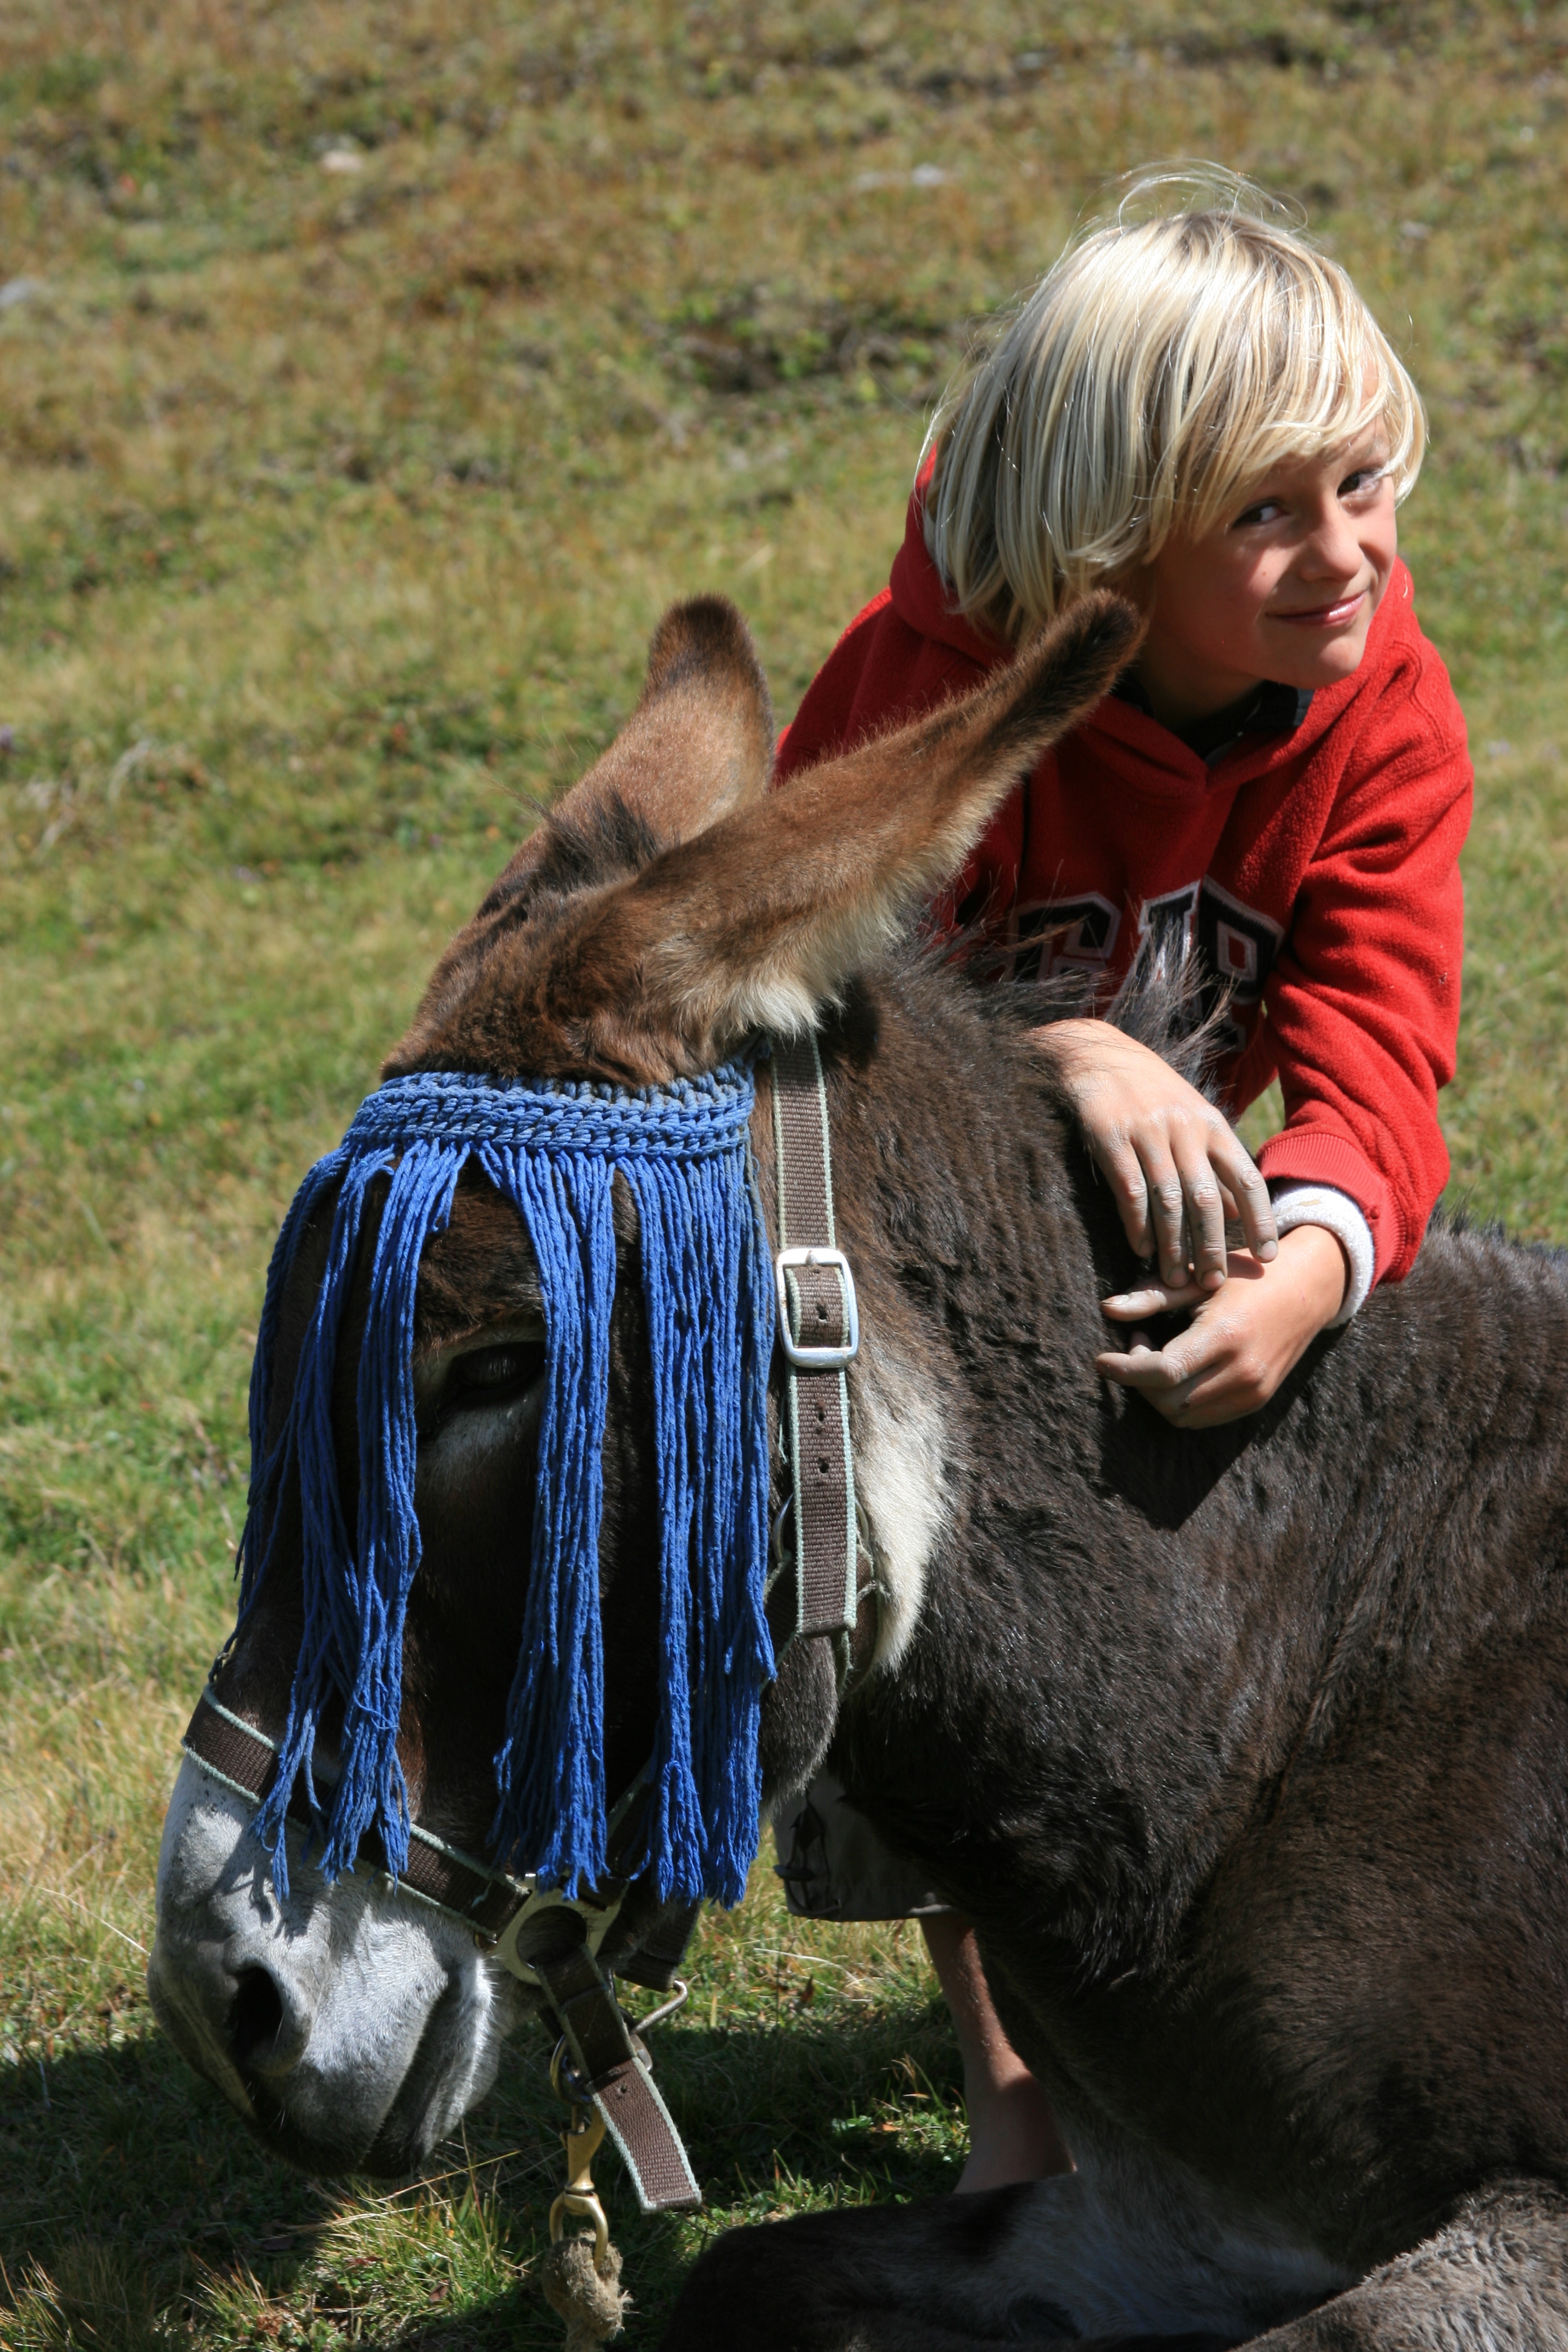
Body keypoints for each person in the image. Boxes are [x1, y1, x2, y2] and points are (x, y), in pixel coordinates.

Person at [770, 169, 1473, 2193]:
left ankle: (1230, 1965)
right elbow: (799, 1016)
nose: (1343, 553)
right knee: (928, 1581)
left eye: (1366, 481)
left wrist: (1320, 1255)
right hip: (893, 1233)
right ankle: (1008, 2084)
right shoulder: (930, 689)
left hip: (1164, 1210)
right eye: (1266, 513)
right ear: (1111, 539)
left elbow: (1380, 1036)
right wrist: (1068, 1050)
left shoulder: (1378, 702)